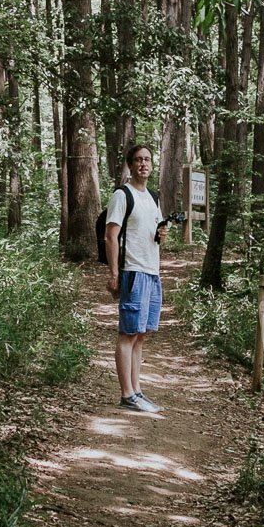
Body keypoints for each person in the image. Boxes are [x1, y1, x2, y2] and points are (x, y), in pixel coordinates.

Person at [104, 144, 167, 413]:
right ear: (130, 165)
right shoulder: (122, 195)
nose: (144, 164)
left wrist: (161, 234)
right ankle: (127, 394)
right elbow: (111, 235)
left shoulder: (152, 196)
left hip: (152, 271)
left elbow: (154, 231)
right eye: (138, 160)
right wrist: (115, 273)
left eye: (147, 160)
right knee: (128, 333)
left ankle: (137, 390)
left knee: (141, 334)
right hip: (132, 270)